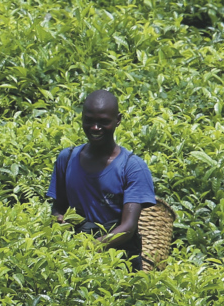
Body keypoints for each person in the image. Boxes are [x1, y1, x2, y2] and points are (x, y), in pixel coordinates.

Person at [48, 89, 155, 269]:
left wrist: (90, 248)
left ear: (118, 120)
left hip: (119, 262)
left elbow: (128, 227)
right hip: (73, 259)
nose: (95, 128)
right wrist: (59, 220)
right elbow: (58, 207)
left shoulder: (132, 167)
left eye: (103, 122)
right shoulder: (67, 159)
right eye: (89, 120)